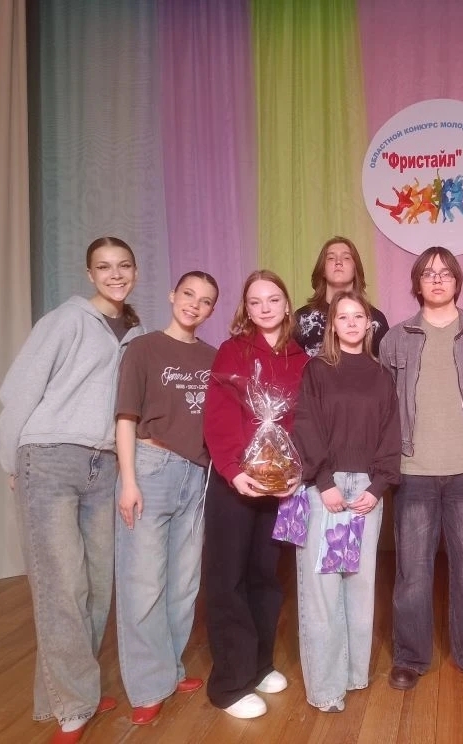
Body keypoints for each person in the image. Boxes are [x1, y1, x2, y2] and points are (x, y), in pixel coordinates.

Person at [0, 236, 143, 744]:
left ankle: (61, 695)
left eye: (123, 266)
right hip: (49, 458)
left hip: (105, 466)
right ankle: (74, 706)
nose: (115, 274)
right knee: (61, 586)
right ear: (89, 274)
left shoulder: (135, 332)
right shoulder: (65, 321)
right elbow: (18, 390)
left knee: (96, 587)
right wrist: (10, 460)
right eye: (104, 267)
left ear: (135, 272)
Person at [379, 246, 463, 692]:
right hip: (412, 469)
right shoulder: (395, 339)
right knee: (412, 572)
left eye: (445, 273)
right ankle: (410, 657)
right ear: (417, 282)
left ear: (457, 281)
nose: (436, 279)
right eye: (428, 273)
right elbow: (382, 408)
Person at [113, 271, 219, 725]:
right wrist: (129, 480)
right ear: (173, 295)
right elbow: (125, 417)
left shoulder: (213, 357)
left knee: (183, 583)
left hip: (197, 475)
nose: (195, 304)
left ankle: (169, 670)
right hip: (151, 467)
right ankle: (147, 685)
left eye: (206, 300)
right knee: (143, 582)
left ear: (212, 310)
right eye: (189, 294)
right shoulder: (143, 348)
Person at [202, 270, 309, 719]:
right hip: (235, 483)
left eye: (273, 299)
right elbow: (218, 414)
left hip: (279, 484)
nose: (265, 308)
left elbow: (306, 421)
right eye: (255, 301)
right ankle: (229, 684)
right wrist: (232, 469)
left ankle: (260, 664)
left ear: (287, 305)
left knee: (266, 577)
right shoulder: (232, 351)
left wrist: (297, 471)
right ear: (245, 308)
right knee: (228, 579)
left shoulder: (302, 358)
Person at [292, 290, 401, 712]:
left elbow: (391, 432)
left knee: (359, 586)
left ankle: (354, 674)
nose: (352, 323)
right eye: (344, 317)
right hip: (329, 488)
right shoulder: (317, 370)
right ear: (332, 325)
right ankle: (325, 688)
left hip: (367, 490)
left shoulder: (381, 375)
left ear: (369, 324)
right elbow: (306, 424)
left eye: (359, 316)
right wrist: (323, 481)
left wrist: (378, 487)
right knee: (322, 591)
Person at [293, 236, 390, 357]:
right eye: (331, 258)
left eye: (346, 257)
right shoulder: (302, 318)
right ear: (322, 270)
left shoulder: (375, 319)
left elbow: (384, 366)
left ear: (355, 269)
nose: (338, 262)